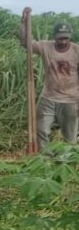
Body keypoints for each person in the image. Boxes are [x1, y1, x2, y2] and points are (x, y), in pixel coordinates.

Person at [19, 8, 79, 147]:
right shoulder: (46, 47)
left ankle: (66, 163)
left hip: (71, 100)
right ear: (55, 37)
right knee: (41, 131)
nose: (63, 41)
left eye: (66, 38)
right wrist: (24, 23)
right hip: (48, 98)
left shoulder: (77, 51)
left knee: (70, 137)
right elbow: (26, 43)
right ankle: (44, 160)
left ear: (70, 37)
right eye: (60, 38)